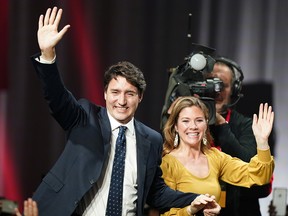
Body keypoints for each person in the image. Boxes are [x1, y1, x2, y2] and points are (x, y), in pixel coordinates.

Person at [30, 6, 221, 216]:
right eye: (115, 92)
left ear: (140, 97)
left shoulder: (152, 140)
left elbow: (156, 193)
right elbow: (57, 97)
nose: (121, 101)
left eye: (129, 94)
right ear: (104, 94)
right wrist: (48, 56)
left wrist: (195, 199)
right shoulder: (85, 117)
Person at [160, 96, 274, 215]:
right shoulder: (167, 163)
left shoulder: (215, 157)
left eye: (199, 120)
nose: (193, 126)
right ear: (176, 127)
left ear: (206, 125)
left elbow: (258, 176)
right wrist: (191, 210)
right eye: (185, 121)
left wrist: (262, 142)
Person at [206, 56, 274, 216]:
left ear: (234, 90)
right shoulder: (190, 126)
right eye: (211, 82)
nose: (216, 90)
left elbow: (256, 177)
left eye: (222, 84)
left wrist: (222, 125)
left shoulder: (248, 126)